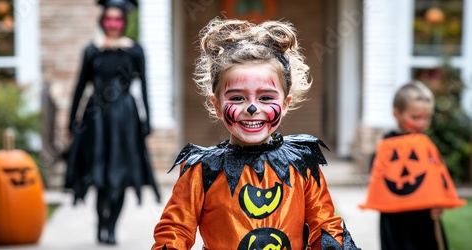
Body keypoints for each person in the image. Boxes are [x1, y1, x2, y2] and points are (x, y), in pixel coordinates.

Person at [152, 17, 360, 250]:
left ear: (286, 103)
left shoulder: (302, 164)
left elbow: (325, 225)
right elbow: (175, 231)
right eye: (237, 98)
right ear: (217, 105)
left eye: (266, 98)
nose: (252, 108)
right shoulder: (201, 171)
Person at [64, 0, 160, 245]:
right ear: (102, 21)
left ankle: (112, 227)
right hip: (96, 117)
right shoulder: (92, 51)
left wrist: (147, 117)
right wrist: (72, 119)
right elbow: (79, 86)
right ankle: (101, 225)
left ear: (124, 22)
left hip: (125, 118)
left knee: (121, 175)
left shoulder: (134, 51)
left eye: (118, 20)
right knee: (100, 175)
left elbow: (145, 85)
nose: (113, 24)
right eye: (109, 19)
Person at [359, 81, 465, 250]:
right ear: (397, 114)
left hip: (424, 217)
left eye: (426, 117)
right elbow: (378, 180)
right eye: (415, 117)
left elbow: (436, 177)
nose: (421, 123)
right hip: (395, 218)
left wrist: (439, 203)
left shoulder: (426, 145)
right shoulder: (386, 145)